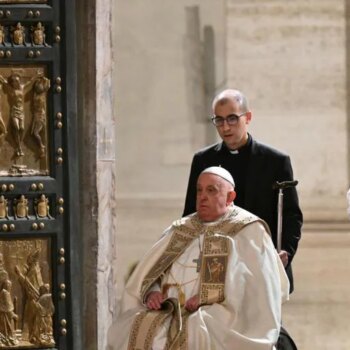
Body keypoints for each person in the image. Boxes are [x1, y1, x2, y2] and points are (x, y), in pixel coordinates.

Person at [107, 166, 289, 350]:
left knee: (197, 331)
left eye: (211, 190)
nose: (202, 196)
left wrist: (207, 296)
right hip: (167, 311)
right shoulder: (180, 229)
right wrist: (152, 291)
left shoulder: (249, 230)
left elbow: (256, 287)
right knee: (133, 328)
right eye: (199, 190)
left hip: (216, 312)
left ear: (230, 197)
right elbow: (152, 272)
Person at [183, 89, 303, 292]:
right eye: (219, 120)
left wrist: (286, 253)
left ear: (247, 117)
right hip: (216, 266)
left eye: (232, 118)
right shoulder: (203, 161)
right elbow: (191, 213)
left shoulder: (276, 162)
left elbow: (292, 216)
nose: (225, 127)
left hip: (262, 265)